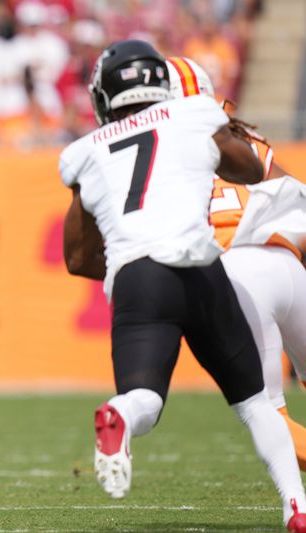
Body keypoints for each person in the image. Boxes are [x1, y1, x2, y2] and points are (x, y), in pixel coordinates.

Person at [59, 39, 306, 531]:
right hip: (207, 267)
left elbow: (79, 257)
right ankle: (296, 506)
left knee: (145, 399)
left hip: (139, 276)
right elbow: (252, 169)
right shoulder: (194, 114)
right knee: (256, 402)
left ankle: (119, 416)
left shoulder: (83, 152)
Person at [167, 56, 306, 470]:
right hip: (287, 263)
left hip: (236, 277)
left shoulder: (152, 152)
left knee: (269, 416)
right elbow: (295, 197)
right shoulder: (239, 139)